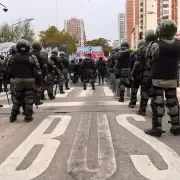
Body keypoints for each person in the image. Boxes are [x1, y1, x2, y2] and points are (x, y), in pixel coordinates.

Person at [144, 19, 180, 137]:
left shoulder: (155, 45)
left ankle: (157, 128)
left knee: (158, 103)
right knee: (172, 102)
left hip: (157, 79)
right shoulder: (178, 44)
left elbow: (148, 61)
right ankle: (176, 126)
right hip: (172, 78)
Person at [6, 39, 42, 122]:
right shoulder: (32, 57)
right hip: (30, 80)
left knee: (17, 99)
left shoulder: (13, 57)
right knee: (29, 99)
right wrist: (39, 83)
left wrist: (14, 77)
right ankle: (28, 117)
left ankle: (13, 117)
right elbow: (38, 71)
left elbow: (8, 70)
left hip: (17, 81)